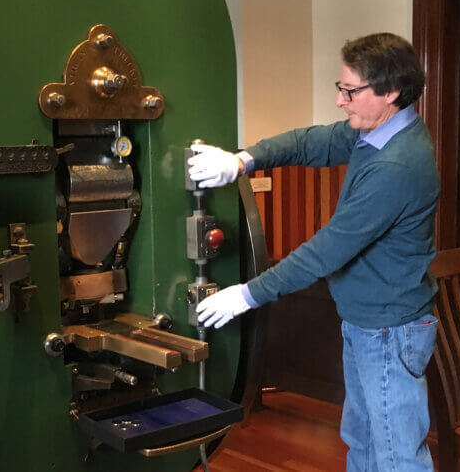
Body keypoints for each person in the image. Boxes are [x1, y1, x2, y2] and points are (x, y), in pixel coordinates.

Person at [188, 32, 440, 472]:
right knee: (361, 442)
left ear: (391, 92)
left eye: (350, 90)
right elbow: (311, 142)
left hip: (388, 329)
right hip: (368, 323)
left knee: (399, 458)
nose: (341, 101)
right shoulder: (379, 131)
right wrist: (242, 160)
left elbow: (325, 252)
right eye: (340, 88)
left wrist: (246, 294)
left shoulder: (397, 165)